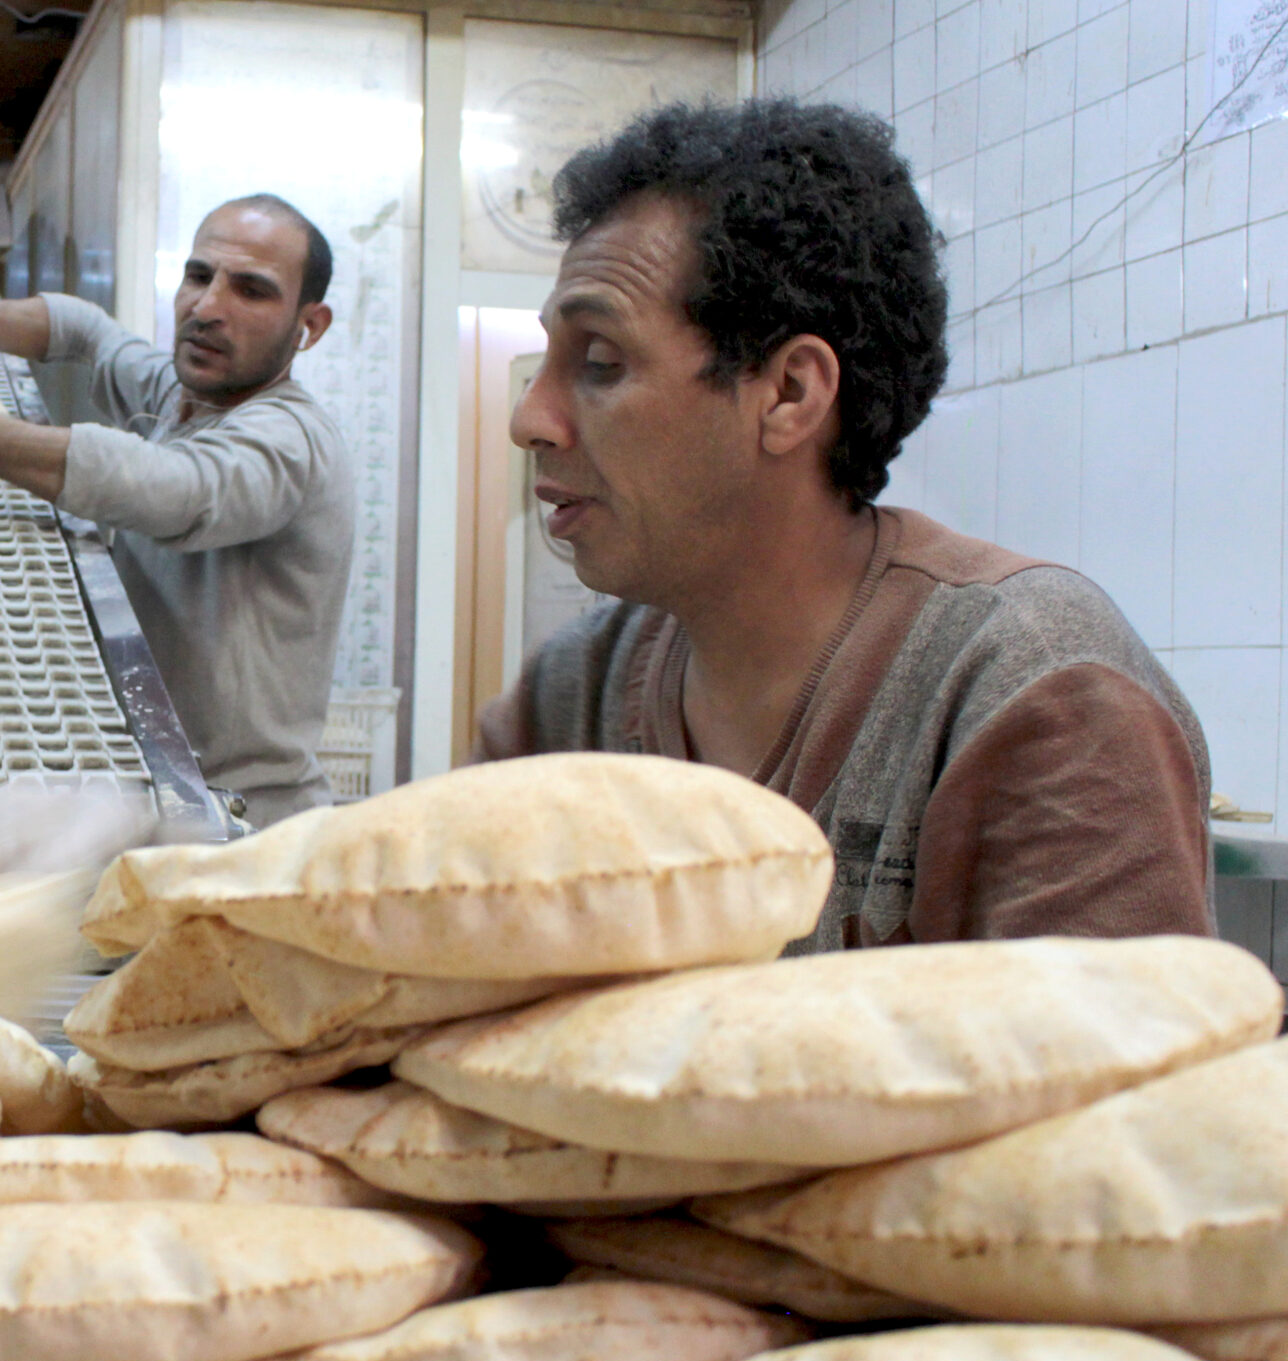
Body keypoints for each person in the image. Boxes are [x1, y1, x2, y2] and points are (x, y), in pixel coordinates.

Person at [477, 97, 1213, 950]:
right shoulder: (574, 697)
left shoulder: (1038, 693)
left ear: (790, 394)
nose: (530, 418)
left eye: (601, 363)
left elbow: (1110, 1074)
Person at [0, 195, 355, 827]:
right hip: (153, 776)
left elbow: (178, 488)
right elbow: (83, 330)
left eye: (251, 291)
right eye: (199, 276)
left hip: (237, 817)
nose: (207, 308)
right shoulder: (186, 396)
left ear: (309, 326)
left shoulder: (292, 438)